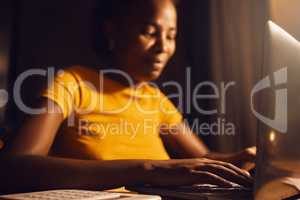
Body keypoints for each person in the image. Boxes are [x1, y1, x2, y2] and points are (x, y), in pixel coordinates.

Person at [0, 0, 255, 194]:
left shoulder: (154, 98)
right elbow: (15, 166)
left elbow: (203, 158)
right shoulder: (74, 84)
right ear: (112, 31)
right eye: (149, 31)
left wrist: (241, 158)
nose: (163, 48)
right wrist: (150, 170)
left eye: (171, 36)